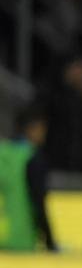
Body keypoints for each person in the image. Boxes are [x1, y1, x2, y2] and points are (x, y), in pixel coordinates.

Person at [0, 104, 56, 252]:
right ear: (35, 129)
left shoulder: (2, 154)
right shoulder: (32, 159)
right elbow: (38, 202)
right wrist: (50, 242)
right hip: (21, 242)